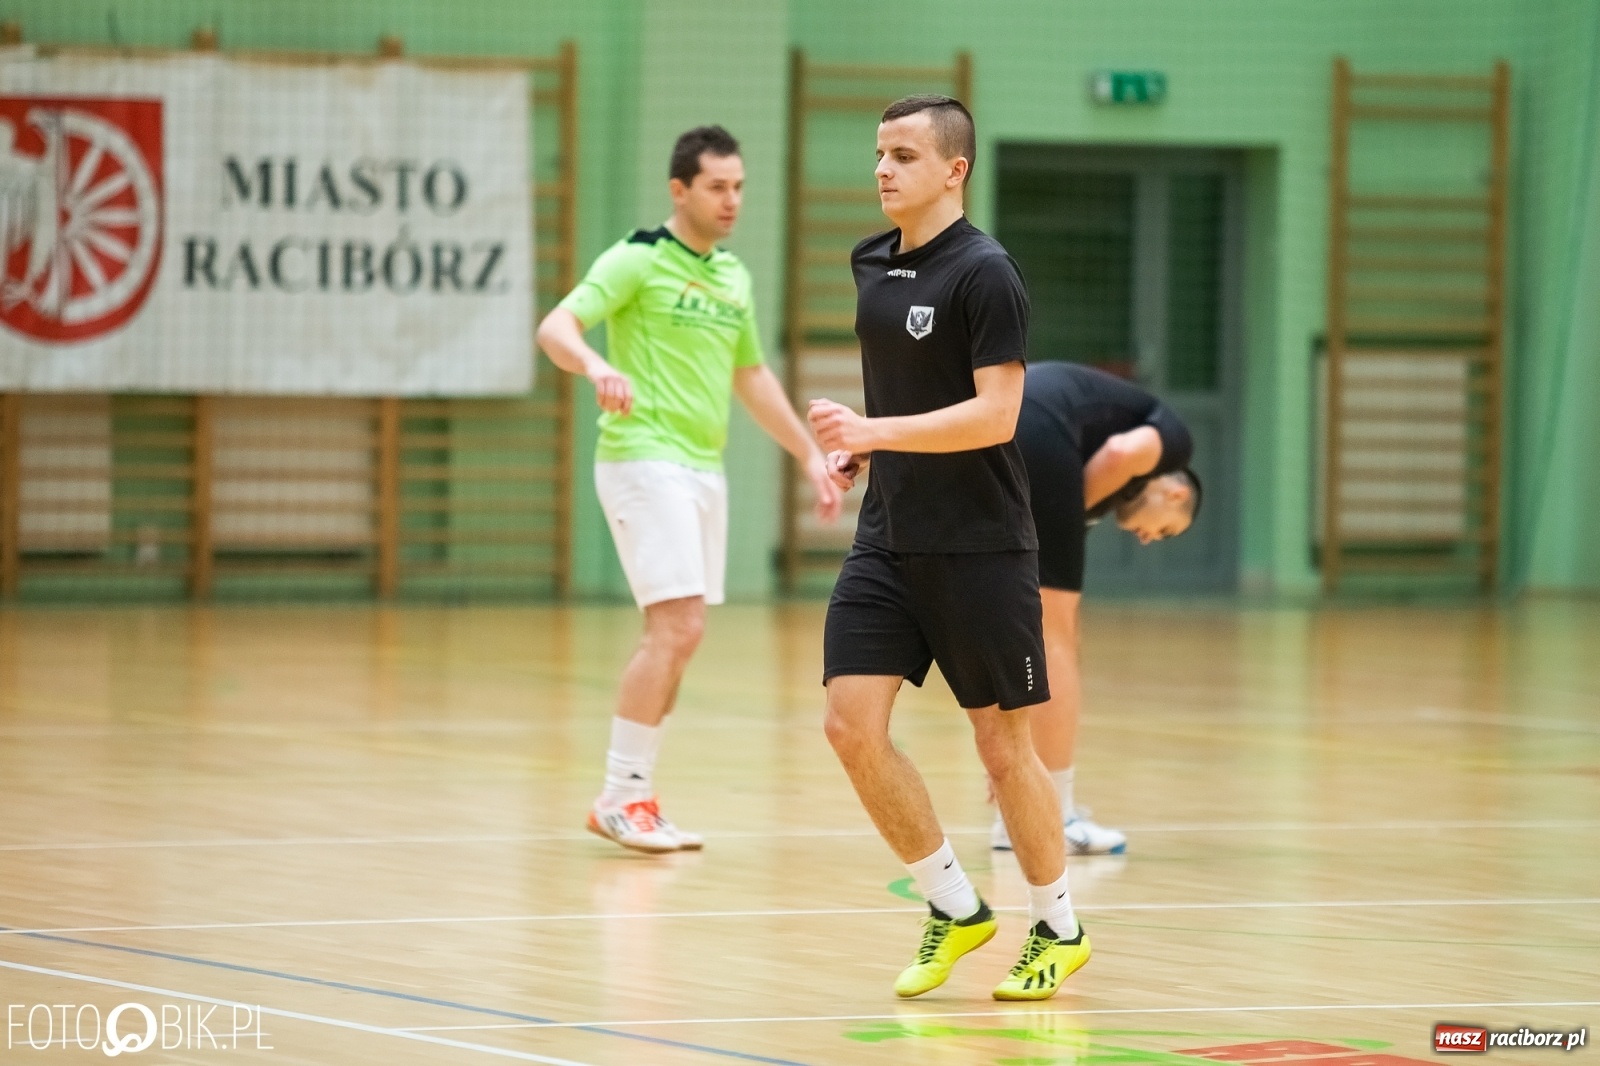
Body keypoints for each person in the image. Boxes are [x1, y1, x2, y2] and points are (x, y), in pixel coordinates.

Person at [809, 95, 1089, 1002]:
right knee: (849, 724)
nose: (882, 169)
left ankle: (1058, 926)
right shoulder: (872, 260)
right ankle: (955, 906)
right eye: (878, 152)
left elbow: (996, 415)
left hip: (980, 546)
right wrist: (862, 451)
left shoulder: (986, 273)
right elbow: (906, 390)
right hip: (889, 538)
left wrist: (874, 431)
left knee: (1002, 748)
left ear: (953, 169)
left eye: (903, 155)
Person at [537, 125, 841, 854]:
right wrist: (595, 365)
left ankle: (636, 795)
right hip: (643, 458)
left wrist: (807, 456)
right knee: (677, 628)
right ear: (680, 190)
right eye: (716, 187)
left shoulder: (733, 277)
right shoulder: (637, 258)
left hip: (705, 468)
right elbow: (556, 326)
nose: (732, 200)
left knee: (682, 633)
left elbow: (752, 376)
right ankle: (619, 796)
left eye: (739, 187)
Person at [989, 359, 1202, 854]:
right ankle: (1053, 817)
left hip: (995, 417)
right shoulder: (1177, 439)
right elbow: (1123, 454)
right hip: (1037, 424)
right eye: (1166, 529)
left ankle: (1018, 806)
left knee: (1019, 633)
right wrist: (1069, 520)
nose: (1149, 539)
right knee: (1057, 636)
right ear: (1176, 492)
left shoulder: (1106, 418)